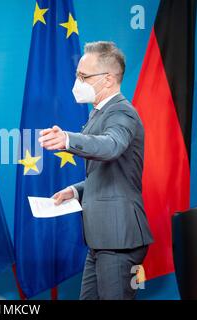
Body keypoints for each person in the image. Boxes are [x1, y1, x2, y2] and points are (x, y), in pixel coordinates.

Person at [38, 41, 153, 300]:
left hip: (120, 239)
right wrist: (75, 191)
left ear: (108, 79)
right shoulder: (99, 113)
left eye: (83, 76)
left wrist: (68, 140)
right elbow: (109, 173)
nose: (77, 82)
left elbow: (111, 146)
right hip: (102, 240)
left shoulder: (122, 113)